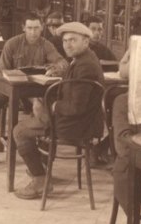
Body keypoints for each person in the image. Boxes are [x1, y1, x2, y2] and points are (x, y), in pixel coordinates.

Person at [13, 22, 104, 199]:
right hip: (81, 121)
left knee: (19, 131)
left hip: (76, 125)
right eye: (65, 41)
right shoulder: (84, 59)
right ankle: (42, 170)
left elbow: (76, 107)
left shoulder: (84, 66)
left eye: (73, 40)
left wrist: (51, 106)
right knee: (36, 113)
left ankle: (40, 180)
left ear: (86, 41)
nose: (67, 45)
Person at [0, 12, 68, 169]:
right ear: (23, 27)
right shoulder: (12, 44)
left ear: (42, 27)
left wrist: (57, 68)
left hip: (35, 91)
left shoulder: (46, 45)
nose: (33, 32)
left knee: (40, 109)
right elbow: (1, 70)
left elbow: (62, 62)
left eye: (36, 28)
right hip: (10, 88)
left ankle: (42, 156)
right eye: (29, 28)